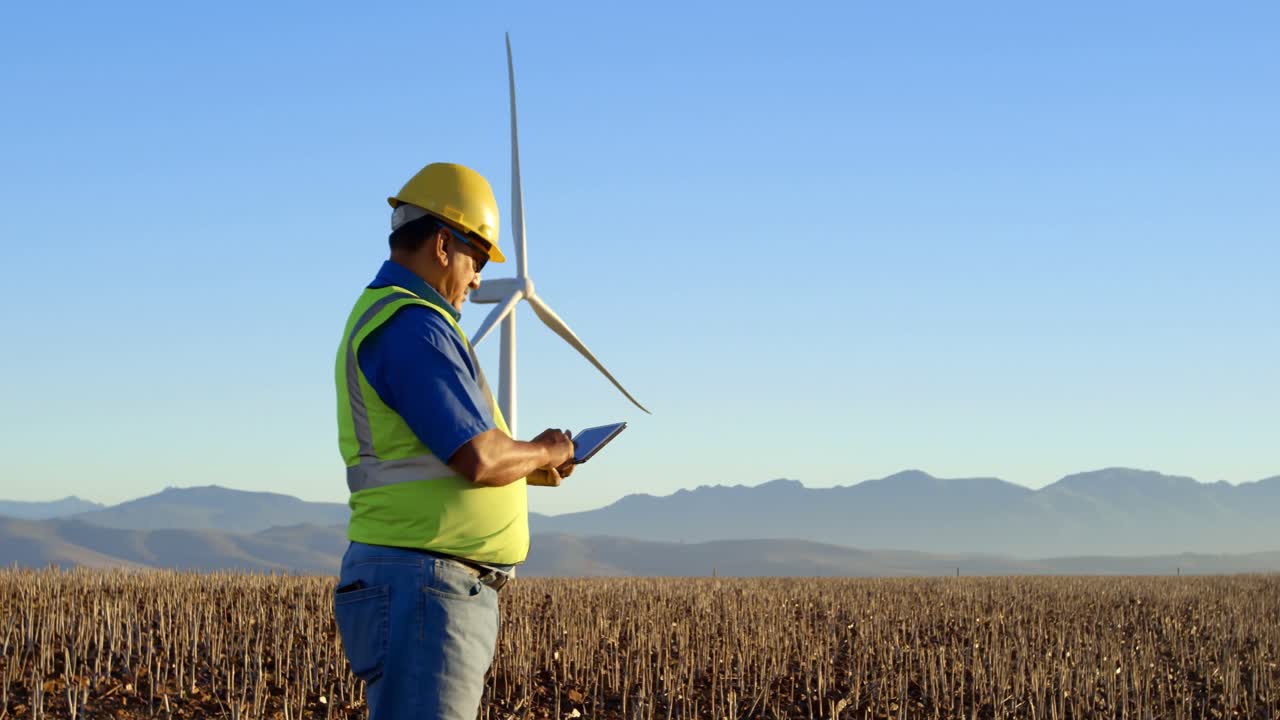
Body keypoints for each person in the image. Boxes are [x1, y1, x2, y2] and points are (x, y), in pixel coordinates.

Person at [332, 162, 576, 720]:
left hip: (419, 583)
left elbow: (439, 458)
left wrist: (527, 471)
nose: (476, 280)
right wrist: (546, 449)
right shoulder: (413, 325)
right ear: (443, 244)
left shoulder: (397, 319)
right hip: (424, 588)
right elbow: (478, 455)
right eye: (478, 258)